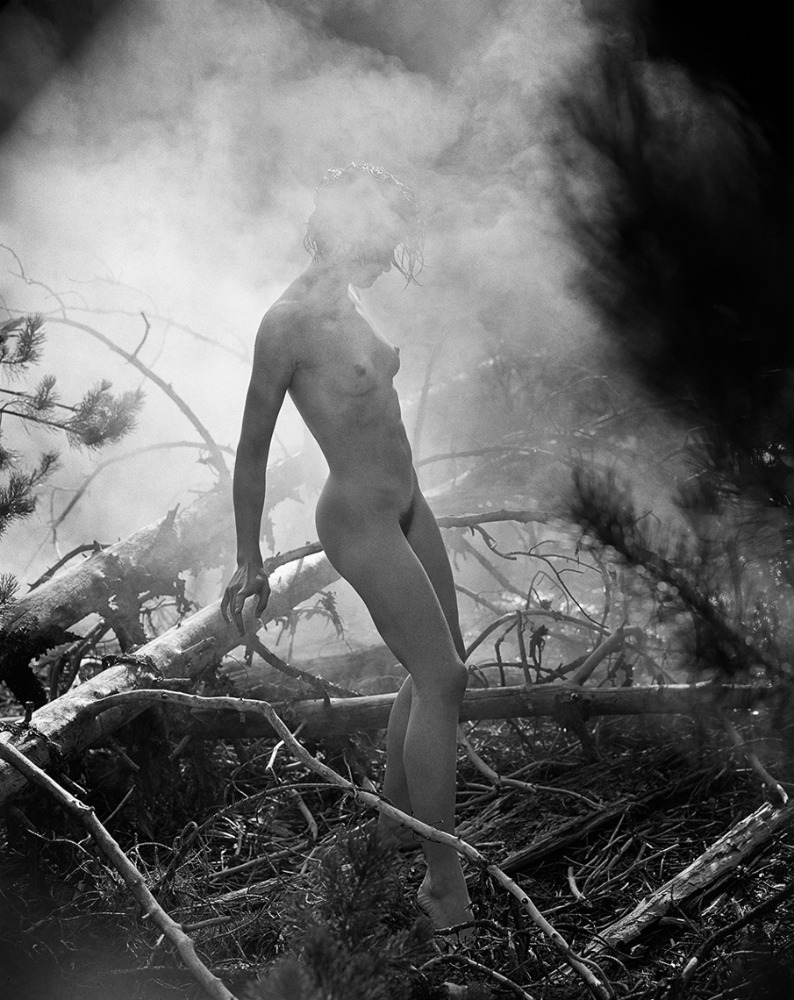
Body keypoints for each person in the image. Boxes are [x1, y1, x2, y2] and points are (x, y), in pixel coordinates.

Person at [221, 163, 472, 931]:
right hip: (358, 515)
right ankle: (443, 885)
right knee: (444, 678)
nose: (390, 256)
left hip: (408, 500)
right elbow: (251, 450)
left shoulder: (349, 302)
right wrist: (248, 559)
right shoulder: (286, 323)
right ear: (347, 230)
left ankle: (394, 827)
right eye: (382, 239)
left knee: (441, 670)